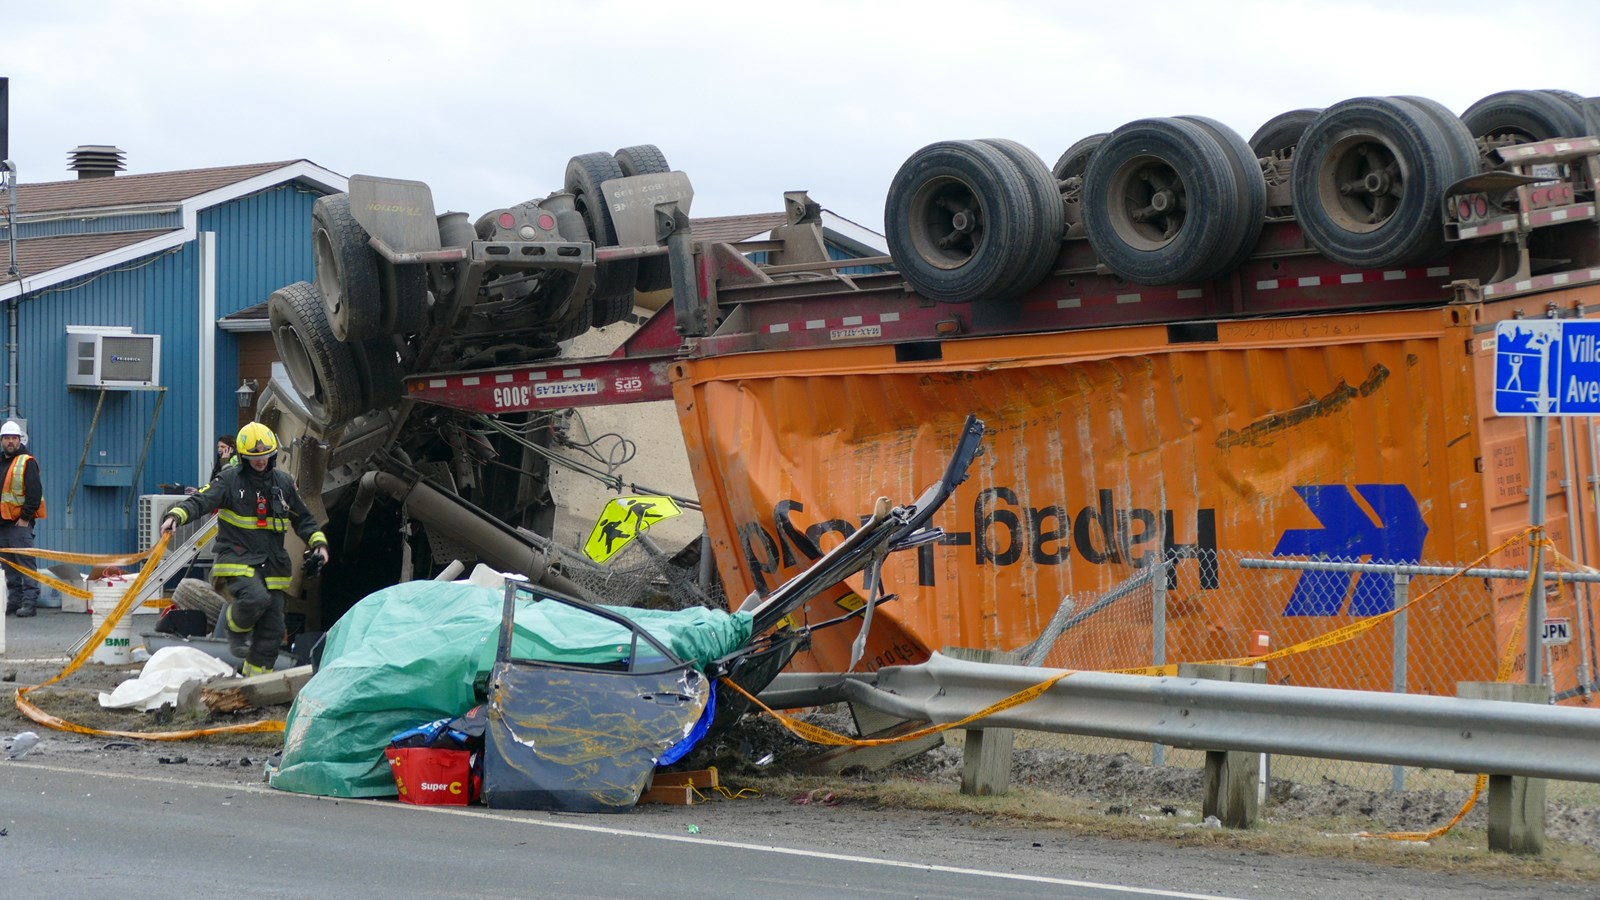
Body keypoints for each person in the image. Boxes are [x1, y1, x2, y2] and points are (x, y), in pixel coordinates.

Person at [162, 422, 329, 674]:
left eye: (264, 455)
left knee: (272, 630)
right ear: (243, 456)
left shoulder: (283, 483)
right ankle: (234, 627)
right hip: (238, 559)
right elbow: (202, 500)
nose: (260, 461)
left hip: (272, 565)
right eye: (254, 457)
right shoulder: (230, 479)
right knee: (255, 598)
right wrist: (176, 516)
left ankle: (254, 681)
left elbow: (304, 519)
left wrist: (319, 545)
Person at [0, 420, 44, 618]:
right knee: (9, 566)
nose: (10, 442)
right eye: (7, 438)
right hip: (3, 524)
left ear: (20, 440)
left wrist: (25, 517)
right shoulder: (2, 462)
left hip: (19, 524)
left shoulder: (27, 462)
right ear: (2, 441)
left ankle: (29, 603)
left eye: (14, 438)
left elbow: (35, 493)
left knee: (25, 563)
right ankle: (14, 602)